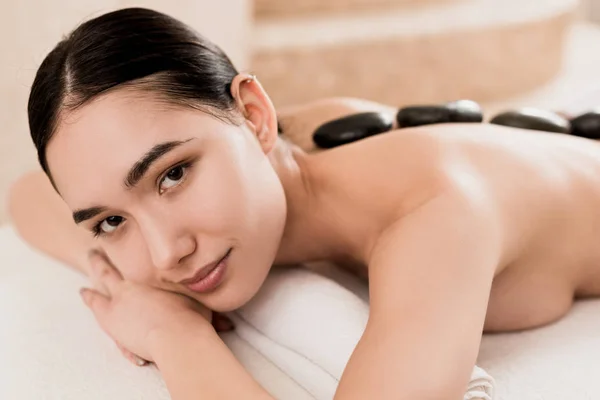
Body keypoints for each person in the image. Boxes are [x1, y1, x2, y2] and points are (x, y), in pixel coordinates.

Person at [10, 7, 600, 400]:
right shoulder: (297, 144)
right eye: (113, 221)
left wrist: (174, 336)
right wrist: (115, 275)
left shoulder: (438, 217)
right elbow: (26, 196)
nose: (168, 254)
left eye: (173, 175)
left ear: (255, 114)